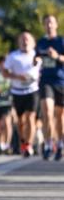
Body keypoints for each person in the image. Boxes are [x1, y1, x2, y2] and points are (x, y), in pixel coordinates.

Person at [4, 31, 40, 157]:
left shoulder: (37, 55)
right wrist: (17, 77)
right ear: (19, 42)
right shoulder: (13, 56)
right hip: (17, 92)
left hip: (33, 90)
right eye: (22, 39)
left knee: (30, 117)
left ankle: (29, 145)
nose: (25, 42)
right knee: (19, 121)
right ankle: (23, 142)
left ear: (33, 42)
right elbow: (5, 73)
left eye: (27, 39)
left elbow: (43, 70)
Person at [35, 14, 64, 161]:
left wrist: (57, 56)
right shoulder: (40, 42)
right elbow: (36, 57)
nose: (49, 26)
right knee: (47, 111)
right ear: (44, 26)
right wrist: (36, 61)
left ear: (56, 25)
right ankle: (47, 145)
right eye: (46, 23)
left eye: (51, 23)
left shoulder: (61, 41)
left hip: (60, 82)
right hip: (45, 81)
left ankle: (60, 144)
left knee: (60, 117)